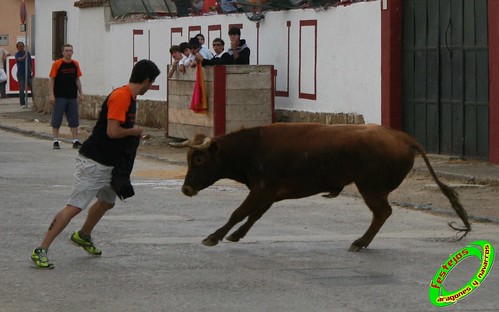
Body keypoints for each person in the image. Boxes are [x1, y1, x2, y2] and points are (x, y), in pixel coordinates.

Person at [30, 59, 161, 269]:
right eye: (152, 82)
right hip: (94, 161)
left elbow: (118, 130)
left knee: (107, 202)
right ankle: (41, 249)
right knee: (74, 207)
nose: (150, 86)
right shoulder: (121, 96)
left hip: (110, 163)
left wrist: (134, 134)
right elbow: (112, 131)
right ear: (146, 80)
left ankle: (83, 235)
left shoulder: (130, 97)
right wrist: (134, 131)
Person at [49, 44, 84, 149]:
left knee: (74, 119)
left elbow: (77, 79)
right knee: (57, 118)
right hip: (59, 96)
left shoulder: (75, 64)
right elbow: (51, 79)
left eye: (70, 51)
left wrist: (81, 93)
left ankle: (75, 140)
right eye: (66, 51)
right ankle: (55, 140)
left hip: (72, 96)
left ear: (72, 52)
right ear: (63, 53)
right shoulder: (57, 64)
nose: (68, 53)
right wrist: (51, 94)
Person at [15, 42, 33, 107]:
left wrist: (31, 71)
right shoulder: (17, 54)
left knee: (32, 88)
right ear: (17, 48)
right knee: (22, 89)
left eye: (22, 46)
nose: (21, 47)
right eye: (19, 46)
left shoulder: (27, 53)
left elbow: (30, 62)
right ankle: (22, 103)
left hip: (28, 74)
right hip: (21, 74)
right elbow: (19, 59)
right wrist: (24, 57)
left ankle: (35, 103)